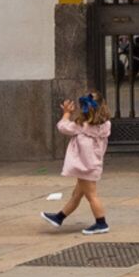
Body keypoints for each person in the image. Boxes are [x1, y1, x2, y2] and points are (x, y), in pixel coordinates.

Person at [44, 92, 110, 234]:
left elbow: (62, 126)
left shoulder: (81, 126)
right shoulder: (106, 125)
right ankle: (59, 217)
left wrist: (67, 113)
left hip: (84, 167)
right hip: (93, 165)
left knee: (91, 195)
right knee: (77, 194)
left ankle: (101, 223)